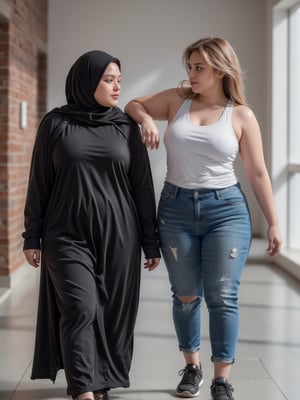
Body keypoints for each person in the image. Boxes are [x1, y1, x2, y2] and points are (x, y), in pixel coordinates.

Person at [125, 36, 282, 400]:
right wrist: (148, 119)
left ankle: (221, 378)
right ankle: (192, 367)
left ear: (220, 70)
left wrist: (273, 221)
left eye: (199, 68)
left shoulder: (241, 114)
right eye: (190, 67)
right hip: (176, 209)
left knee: (223, 296)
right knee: (185, 295)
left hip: (226, 211)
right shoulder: (178, 100)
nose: (191, 74)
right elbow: (132, 103)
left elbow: (257, 172)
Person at [22, 50, 160, 400]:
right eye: (108, 79)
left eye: (119, 80)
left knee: (112, 313)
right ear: (87, 81)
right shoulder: (56, 124)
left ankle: (100, 383)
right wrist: (31, 235)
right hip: (65, 234)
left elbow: (142, 187)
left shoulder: (126, 127)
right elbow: (39, 182)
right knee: (80, 307)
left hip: (120, 236)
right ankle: (83, 388)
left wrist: (150, 241)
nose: (117, 87)